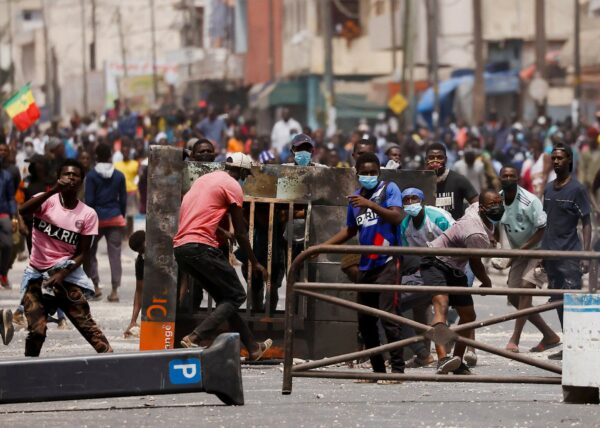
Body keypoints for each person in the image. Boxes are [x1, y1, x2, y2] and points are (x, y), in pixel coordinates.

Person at [174, 152, 272, 360]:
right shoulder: (232, 185)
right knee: (237, 295)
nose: (245, 179)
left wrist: (220, 231)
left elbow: (198, 214)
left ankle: (253, 348)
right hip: (201, 247)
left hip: (182, 247)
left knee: (225, 299)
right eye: (246, 174)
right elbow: (241, 232)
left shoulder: (204, 180)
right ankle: (194, 336)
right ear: (243, 171)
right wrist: (254, 262)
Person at [320, 152, 406, 381]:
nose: (369, 176)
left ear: (379, 172)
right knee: (366, 321)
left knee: (389, 318)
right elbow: (350, 230)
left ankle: (397, 371)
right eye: (364, 173)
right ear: (357, 174)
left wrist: (370, 204)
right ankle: (378, 370)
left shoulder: (389, 189)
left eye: (373, 172)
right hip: (366, 264)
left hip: (387, 260)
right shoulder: (355, 199)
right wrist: (322, 247)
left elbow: (396, 217)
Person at [18, 158, 112, 357]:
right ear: (59, 178)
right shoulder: (45, 201)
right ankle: (27, 372)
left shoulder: (87, 214)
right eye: (66, 174)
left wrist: (61, 275)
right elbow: (23, 210)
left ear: (81, 181)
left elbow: (83, 254)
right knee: (36, 331)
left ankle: (114, 369)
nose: (70, 178)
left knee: (89, 328)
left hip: (66, 277)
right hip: (37, 276)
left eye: (75, 175)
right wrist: (52, 191)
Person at [420, 190, 500, 375]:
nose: (497, 208)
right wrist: (486, 282)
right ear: (481, 208)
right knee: (441, 306)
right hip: (435, 261)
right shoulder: (476, 232)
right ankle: (442, 359)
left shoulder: (475, 209)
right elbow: (475, 261)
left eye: (499, 203)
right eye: (492, 205)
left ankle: (457, 361)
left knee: (468, 316)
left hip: (455, 267)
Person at [498, 165, 560, 353]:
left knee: (526, 288)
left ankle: (514, 339)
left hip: (537, 249)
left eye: (512, 176)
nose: (509, 179)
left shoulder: (529, 201)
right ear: (500, 179)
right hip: (519, 252)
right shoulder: (499, 198)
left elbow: (542, 228)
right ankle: (549, 335)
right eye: (505, 176)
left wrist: (522, 251)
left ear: (518, 179)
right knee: (513, 295)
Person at [541, 143, 592, 361]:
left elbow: (587, 222)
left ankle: (579, 345)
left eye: (560, 158)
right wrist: (541, 255)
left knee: (573, 303)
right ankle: (568, 344)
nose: (556, 162)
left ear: (569, 160)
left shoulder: (578, 189)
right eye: (553, 158)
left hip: (570, 254)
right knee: (557, 301)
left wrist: (586, 254)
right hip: (550, 254)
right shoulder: (549, 188)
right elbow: (546, 222)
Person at [398, 187, 455, 368]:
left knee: (450, 309)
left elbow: (456, 241)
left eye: (413, 198)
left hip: (450, 265)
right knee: (417, 309)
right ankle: (426, 354)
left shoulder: (438, 217)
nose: (410, 203)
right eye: (406, 200)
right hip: (423, 269)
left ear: (421, 200)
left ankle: (452, 351)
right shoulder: (405, 225)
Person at [84, 144, 127, 302]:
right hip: (115, 217)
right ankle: (114, 290)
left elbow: (89, 200)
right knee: (115, 255)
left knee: (90, 253)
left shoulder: (92, 176)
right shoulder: (119, 175)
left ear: (96, 156)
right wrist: (120, 215)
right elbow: (123, 200)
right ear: (110, 156)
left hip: (96, 219)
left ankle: (95, 286)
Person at [425, 142, 478, 220]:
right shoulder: (420, 181)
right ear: (426, 160)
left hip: (455, 230)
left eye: (440, 157)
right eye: (431, 157)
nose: (435, 161)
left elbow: (477, 205)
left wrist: (466, 221)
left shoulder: (458, 180)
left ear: (446, 160)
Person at [114, 139, 140, 239]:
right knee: (121, 215)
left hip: (132, 192)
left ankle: (129, 235)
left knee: (130, 215)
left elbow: (138, 177)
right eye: (123, 150)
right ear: (121, 151)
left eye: (127, 150)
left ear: (129, 151)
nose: (125, 151)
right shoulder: (116, 165)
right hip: (120, 192)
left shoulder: (135, 164)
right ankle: (122, 234)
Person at [0, 144, 16, 289]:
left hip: (3, 213)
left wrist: (14, 217)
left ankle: (3, 273)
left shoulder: (7, 176)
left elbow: (11, 197)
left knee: (8, 245)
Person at [124, 230, 145, 338]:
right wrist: (133, 321)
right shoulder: (141, 261)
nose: (142, 254)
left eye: (143, 250)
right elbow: (139, 291)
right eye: (140, 252)